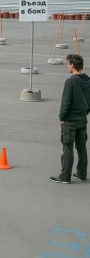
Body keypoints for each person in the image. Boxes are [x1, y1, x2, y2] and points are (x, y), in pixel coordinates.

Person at [51, 54, 90, 184]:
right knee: (81, 147)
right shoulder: (87, 80)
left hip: (71, 120)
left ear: (72, 65)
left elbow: (66, 102)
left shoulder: (71, 81)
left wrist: (62, 117)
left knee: (67, 148)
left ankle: (65, 176)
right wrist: (85, 112)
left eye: (68, 64)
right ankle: (81, 174)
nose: (68, 66)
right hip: (82, 119)